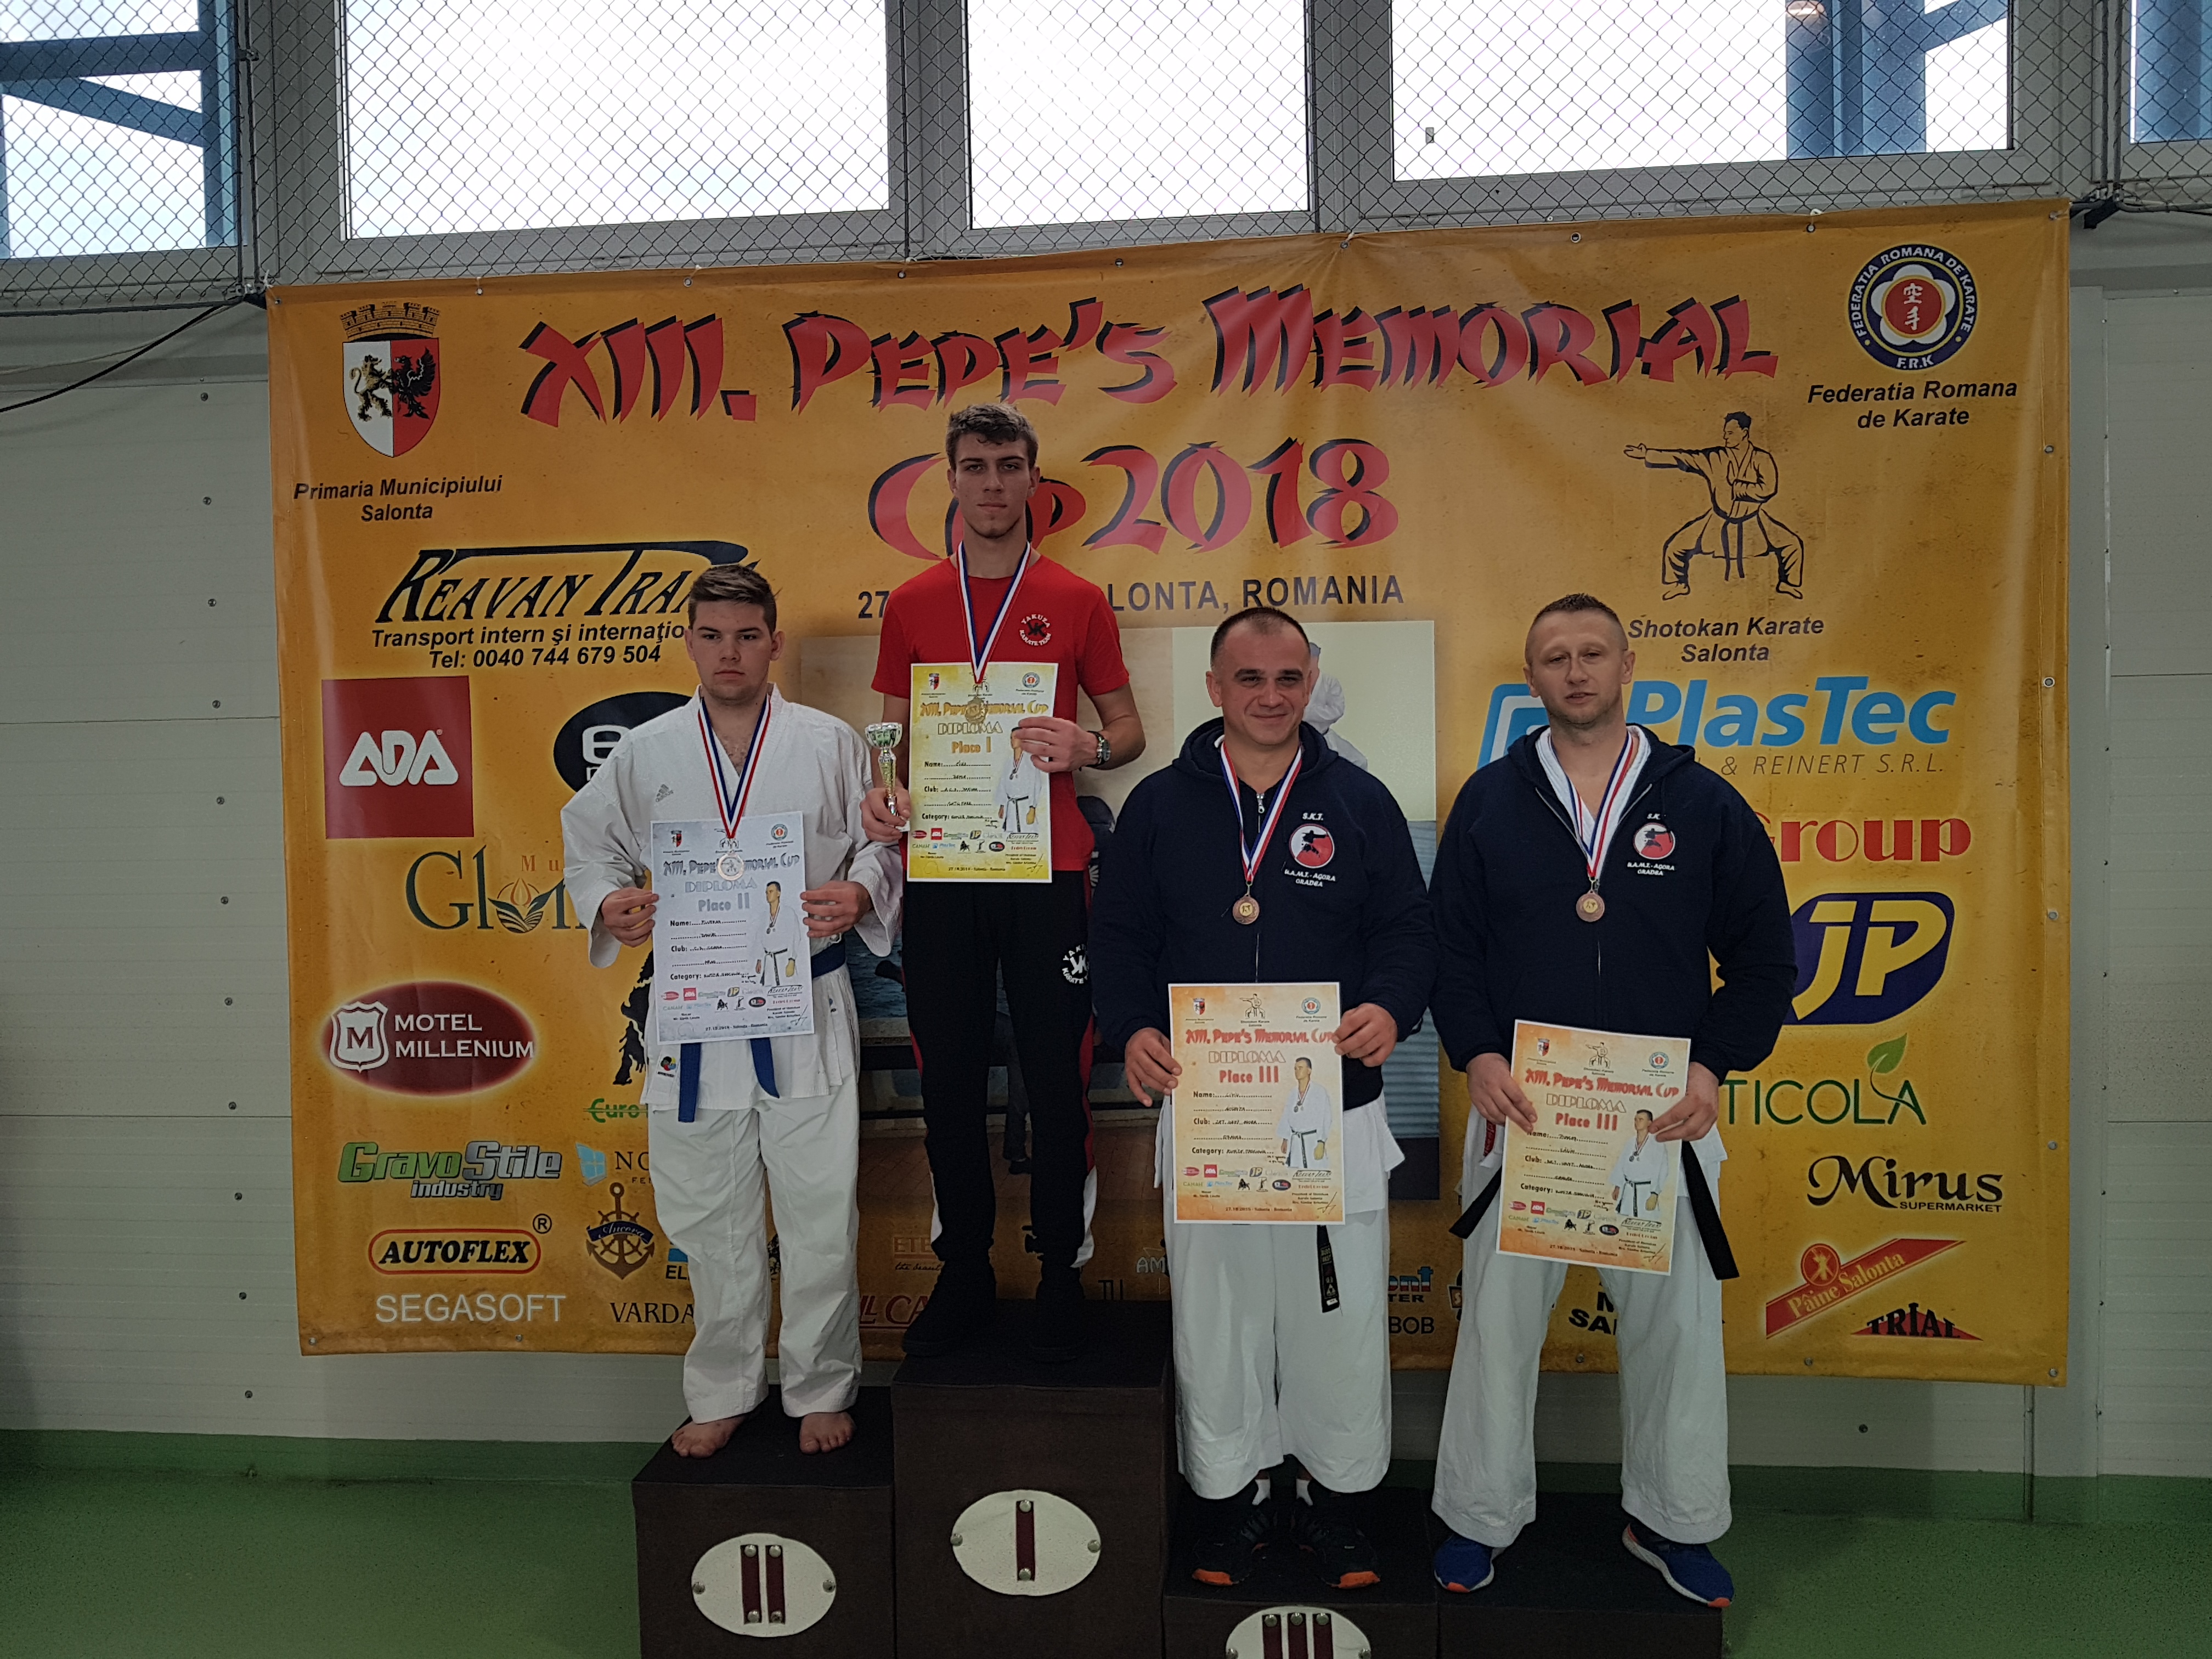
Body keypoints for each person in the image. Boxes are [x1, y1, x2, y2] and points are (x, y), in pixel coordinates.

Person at [1426, 592, 1795, 1605]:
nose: (1576, 670)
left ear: (1628, 664)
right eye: (1555, 656)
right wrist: (1477, 1054)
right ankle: (1479, 1514)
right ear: (1531, 676)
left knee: (1676, 1333)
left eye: (1593, 652)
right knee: (1498, 1328)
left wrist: (1712, 1068)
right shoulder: (1491, 801)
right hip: (1524, 1111)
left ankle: (1673, 1519)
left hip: (1658, 1116)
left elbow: (1765, 961)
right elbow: (1451, 951)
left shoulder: (1703, 803)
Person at [1091, 607, 1435, 1590]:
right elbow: (1119, 935)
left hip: (1335, 1104)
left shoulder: (1358, 799)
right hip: (1210, 1105)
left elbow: (1408, 928)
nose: (1271, 696)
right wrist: (1133, 1027)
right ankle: (1229, 1501)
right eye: (1250, 678)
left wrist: (1390, 1005)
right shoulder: (1160, 805)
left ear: (1310, 681)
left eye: (1288, 677)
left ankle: (1341, 1503)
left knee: (1339, 1315)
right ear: (1214, 687)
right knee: (1221, 1314)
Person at [562, 563, 901, 1458]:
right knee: (708, 1213)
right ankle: (721, 1387)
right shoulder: (647, 751)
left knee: (818, 1208)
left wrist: (861, 892)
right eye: (711, 635)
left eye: (747, 636)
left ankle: (821, 1384)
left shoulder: (829, 742)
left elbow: (883, 842)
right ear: (688, 642)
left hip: (806, 998)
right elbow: (589, 847)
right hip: (694, 1006)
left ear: (773, 642)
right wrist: (607, 902)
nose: (730, 653)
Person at [864, 402, 1146, 1362]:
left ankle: (1061, 1267)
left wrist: (1087, 745)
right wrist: (884, 791)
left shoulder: (1075, 597)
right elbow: (893, 736)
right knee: (945, 1072)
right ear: (951, 478)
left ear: (1033, 479)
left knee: (1058, 1073)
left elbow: (1128, 731)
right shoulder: (912, 601)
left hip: (1045, 865)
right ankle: (965, 1270)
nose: (993, 483)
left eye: (1010, 465)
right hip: (945, 866)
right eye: (976, 466)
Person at [1626, 413, 1804, 600]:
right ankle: (1679, 584)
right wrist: (1648, 454)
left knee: (1792, 544)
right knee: (1676, 547)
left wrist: (1738, 488)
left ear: (1744, 433)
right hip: (1717, 520)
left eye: (1730, 433)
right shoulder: (1715, 457)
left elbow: (1768, 489)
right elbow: (1683, 458)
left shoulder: (1762, 458)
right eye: (1725, 433)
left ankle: (1788, 583)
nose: (1725, 437)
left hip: (1754, 520)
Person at [1276, 1056, 1333, 1170]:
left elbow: (1325, 1117)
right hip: (1295, 1142)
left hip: (1313, 1140)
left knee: (1315, 1170)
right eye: (1295, 1069)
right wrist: (1285, 1139)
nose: (1297, 1071)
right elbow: (1287, 1116)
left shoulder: (1319, 1091)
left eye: (1300, 1068)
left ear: (1309, 1070)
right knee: (1295, 1173)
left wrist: (1321, 1142)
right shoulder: (1293, 1093)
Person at [1609, 1109, 1665, 1216]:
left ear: (1649, 1123)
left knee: (1645, 1219)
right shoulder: (1630, 1143)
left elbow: (1661, 1169)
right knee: (1624, 1219)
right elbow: (1621, 1165)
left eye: (1641, 1120)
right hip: (1628, 1191)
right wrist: (1618, 1186)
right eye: (1635, 1120)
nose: (1636, 1122)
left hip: (1646, 1191)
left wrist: (1655, 1194)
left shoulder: (1657, 1144)